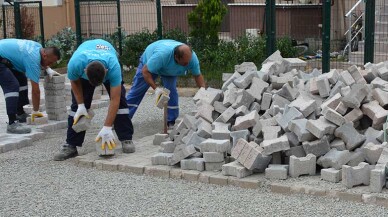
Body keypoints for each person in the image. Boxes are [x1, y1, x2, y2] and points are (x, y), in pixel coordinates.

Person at [54, 39, 134, 161]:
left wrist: (107, 127)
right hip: (85, 60)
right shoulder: (76, 63)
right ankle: (71, 145)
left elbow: (115, 99)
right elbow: (75, 82)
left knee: (121, 105)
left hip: (107, 59)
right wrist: (81, 105)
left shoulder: (113, 66)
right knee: (76, 108)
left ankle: (126, 138)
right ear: (85, 71)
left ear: (106, 72)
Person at [126, 39, 205, 129]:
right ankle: (123, 118)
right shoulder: (161, 56)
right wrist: (156, 89)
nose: (187, 64)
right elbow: (145, 71)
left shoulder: (192, 58)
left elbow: (197, 75)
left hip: (169, 69)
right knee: (137, 91)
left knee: (171, 91)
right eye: (184, 63)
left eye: (188, 62)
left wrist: (203, 93)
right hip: (150, 64)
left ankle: (171, 121)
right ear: (176, 57)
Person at [0, 39, 60, 134]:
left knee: (22, 79)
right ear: (44, 55)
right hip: (1, 58)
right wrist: (35, 111)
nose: (50, 65)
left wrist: (48, 68)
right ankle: (12, 123)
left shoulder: (39, 47)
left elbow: (43, 61)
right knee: (12, 85)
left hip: (5, 58)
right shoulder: (33, 60)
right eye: (50, 62)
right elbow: (35, 91)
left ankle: (20, 113)